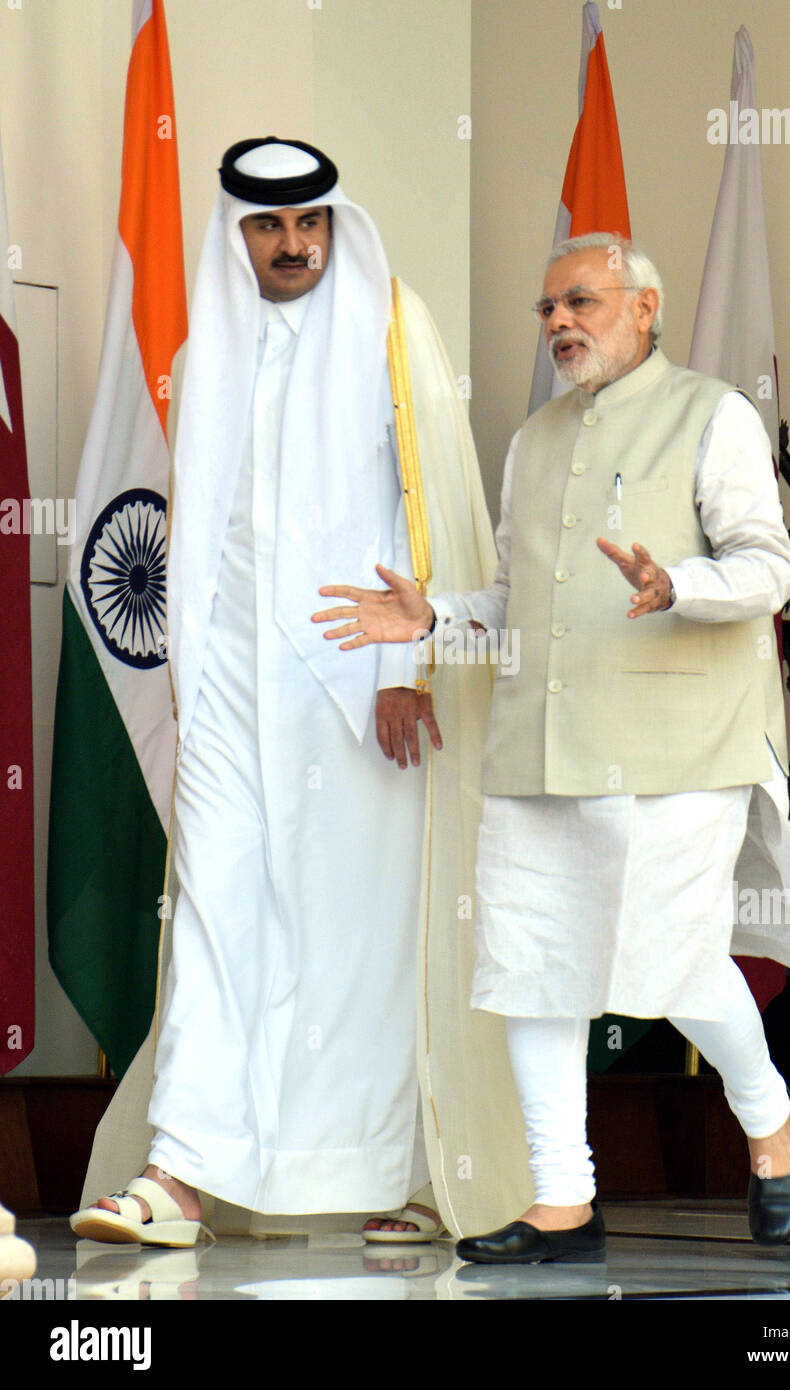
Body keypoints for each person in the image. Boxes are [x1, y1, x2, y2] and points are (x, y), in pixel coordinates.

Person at [312, 233, 790, 1263]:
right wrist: (428, 620)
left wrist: (678, 587)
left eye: (581, 300)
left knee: (667, 960)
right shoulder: (532, 441)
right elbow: (517, 606)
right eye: (547, 309)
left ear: (644, 308)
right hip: (541, 745)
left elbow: (767, 569)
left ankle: (768, 1118)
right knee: (533, 967)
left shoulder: (712, 414)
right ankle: (562, 1203)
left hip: (679, 743)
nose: (559, 321)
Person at [71, 138, 530, 1247]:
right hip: (228, 686)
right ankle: (179, 1170)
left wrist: (404, 669)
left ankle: (404, 1168)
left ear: (334, 225)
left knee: (365, 940)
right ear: (238, 234)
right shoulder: (212, 342)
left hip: (354, 685)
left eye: (310, 224)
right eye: (270, 228)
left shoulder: (388, 324)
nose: (292, 246)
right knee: (217, 911)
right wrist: (187, 684)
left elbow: (422, 508)